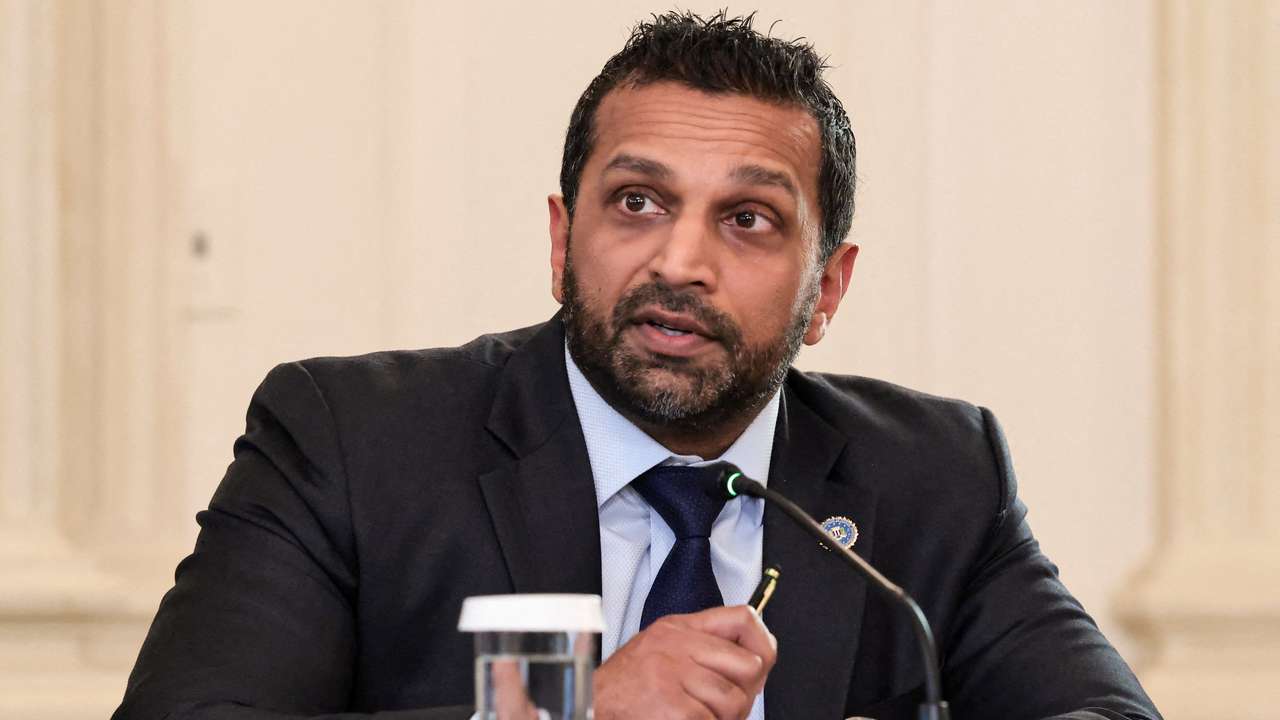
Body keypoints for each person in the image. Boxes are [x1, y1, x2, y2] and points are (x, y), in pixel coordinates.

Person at [113, 11, 1161, 720]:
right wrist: (572, 710)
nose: (678, 260)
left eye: (746, 220)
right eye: (637, 202)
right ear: (562, 241)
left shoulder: (935, 477)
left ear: (825, 291)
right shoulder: (347, 442)